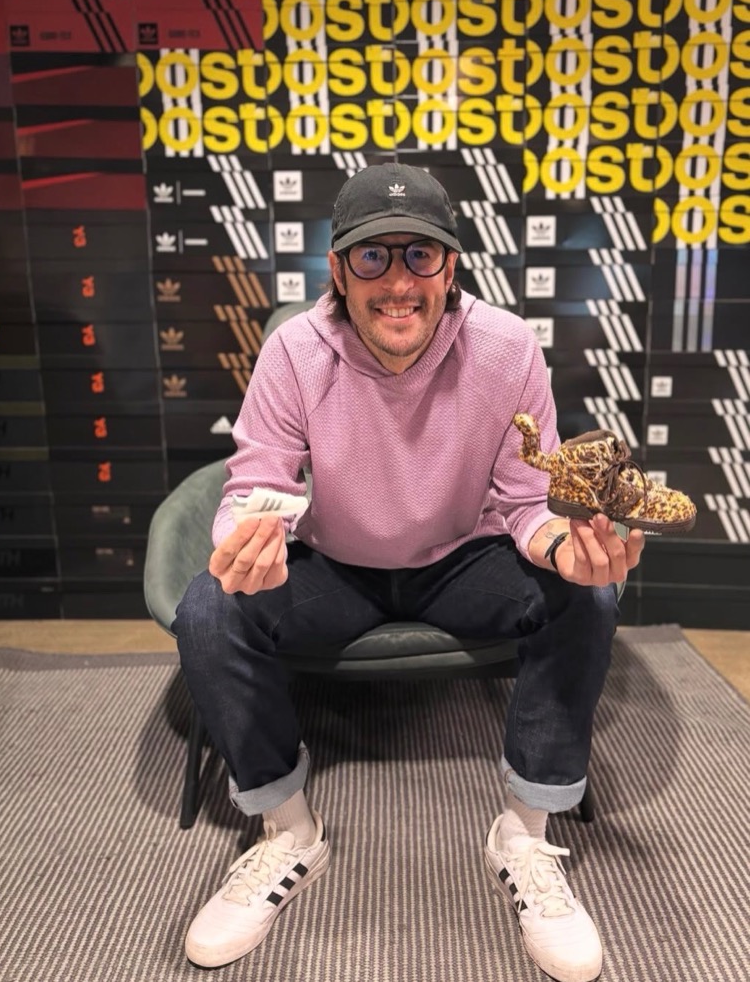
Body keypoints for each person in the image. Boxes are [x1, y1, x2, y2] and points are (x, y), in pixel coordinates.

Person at [173, 162, 645, 982]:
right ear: (337, 272)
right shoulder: (293, 350)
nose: (398, 283)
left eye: (420, 256)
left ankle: (526, 836)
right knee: (211, 607)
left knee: (589, 588)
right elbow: (258, 481)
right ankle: (287, 831)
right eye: (371, 258)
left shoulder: (506, 349)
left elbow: (528, 502)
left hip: (464, 559)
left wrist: (564, 547)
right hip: (337, 565)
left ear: (451, 266)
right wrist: (243, 539)